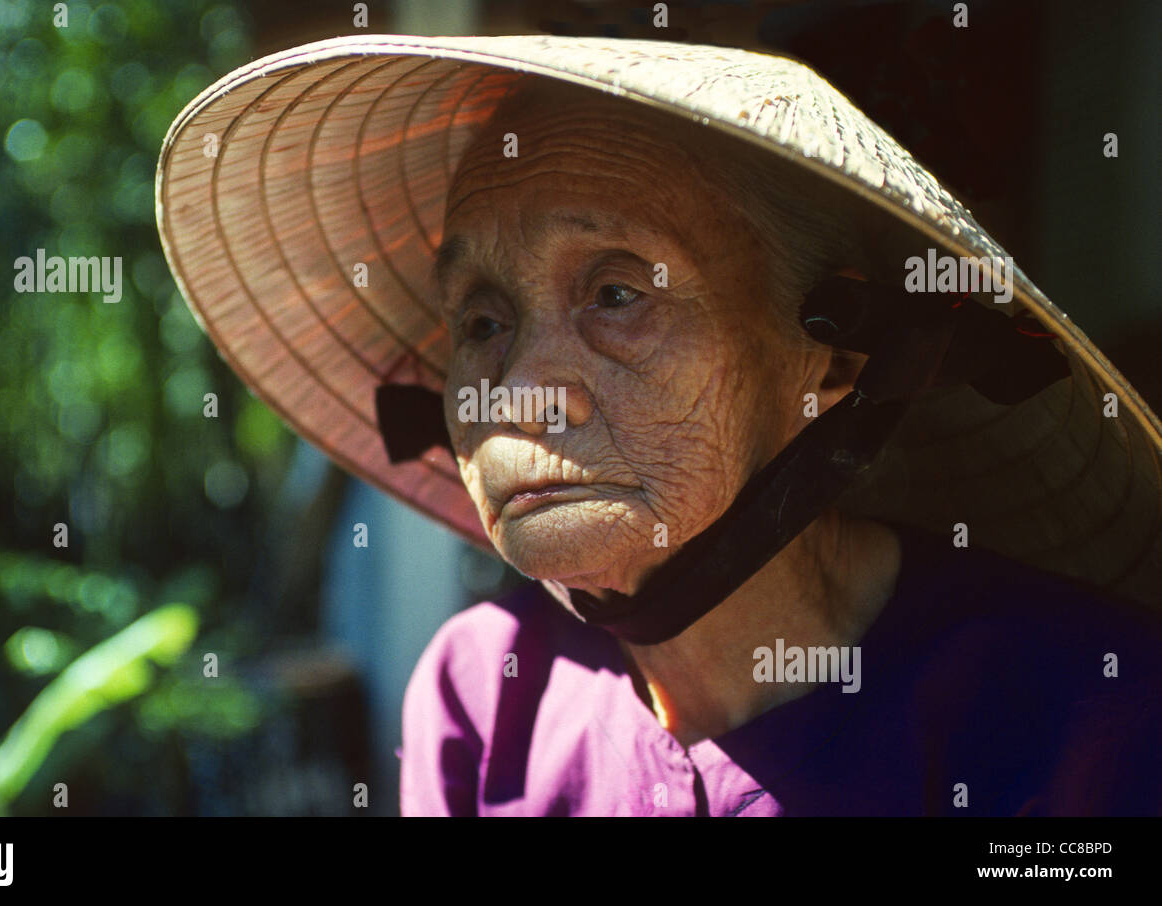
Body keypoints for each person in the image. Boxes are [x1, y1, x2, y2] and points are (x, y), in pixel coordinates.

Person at [155, 35, 1162, 816]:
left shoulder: (1081, 716)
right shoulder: (484, 694)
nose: (519, 391)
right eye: (480, 320)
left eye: (617, 291)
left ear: (834, 362)